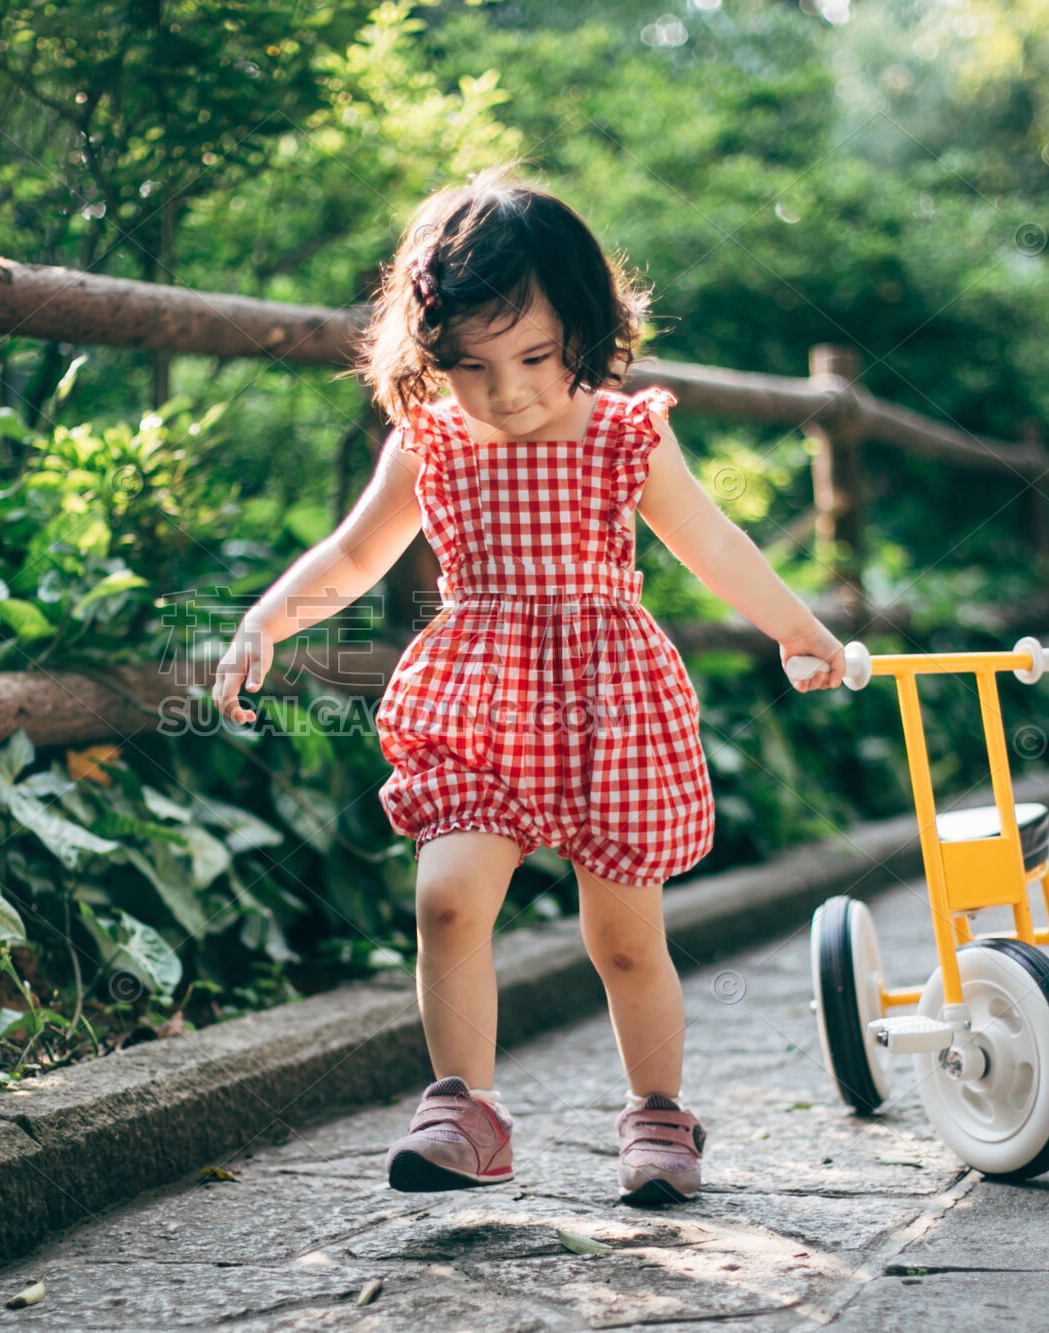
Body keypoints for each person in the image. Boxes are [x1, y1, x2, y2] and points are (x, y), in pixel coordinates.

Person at [211, 162, 846, 1207]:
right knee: (449, 900)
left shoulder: (621, 435)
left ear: (586, 331)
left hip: (608, 703)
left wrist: (798, 627)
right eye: (470, 366)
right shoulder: (432, 447)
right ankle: (465, 1107)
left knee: (623, 940)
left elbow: (711, 546)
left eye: (535, 356)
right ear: (430, 357)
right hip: (481, 700)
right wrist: (263, 620)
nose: (505, 391)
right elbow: (353, 555)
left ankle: (656, 1115)